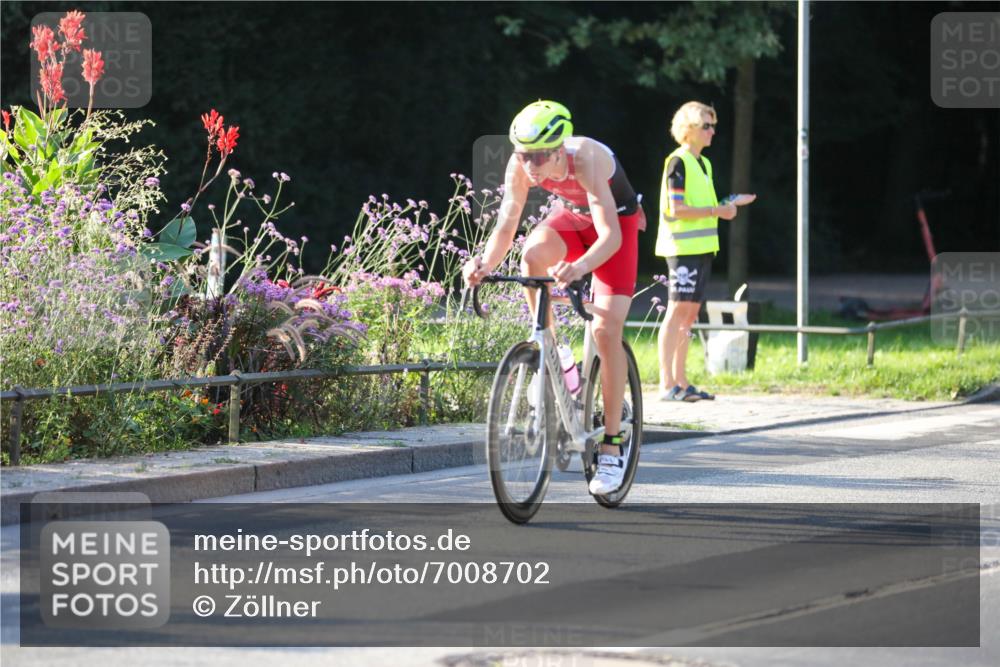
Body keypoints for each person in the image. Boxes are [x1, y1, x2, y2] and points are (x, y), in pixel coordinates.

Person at [463, 100, 646, 495]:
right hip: (571, 218)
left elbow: (610, 235)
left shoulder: (588, 159)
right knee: (532, 257)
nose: (530, 165)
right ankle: (555, 354)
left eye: (539, 157)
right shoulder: (521, 164)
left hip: (616, 227)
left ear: (560, 149)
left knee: (605, 331)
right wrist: (482, 262)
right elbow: (507, 222)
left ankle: (612, 445)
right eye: (523, 155)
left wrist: (581, 268)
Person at [655, 101, 756, 402]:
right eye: (706, 126)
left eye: (713, 126)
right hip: (682, 249)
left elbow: (702, 206)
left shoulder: (704, 163)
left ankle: (682, 382)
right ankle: (666, 383)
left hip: (702, 249)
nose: (713, 132)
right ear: (689, 130)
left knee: (689, 315)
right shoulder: (678, 162)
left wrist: (728, 203)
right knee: (675, 313)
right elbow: (678, 208)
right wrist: (719, 210)